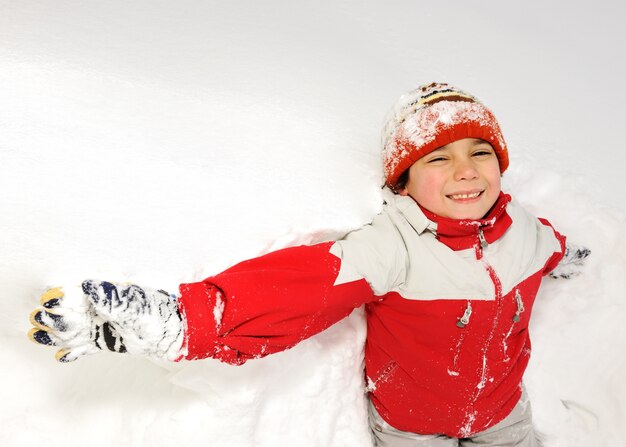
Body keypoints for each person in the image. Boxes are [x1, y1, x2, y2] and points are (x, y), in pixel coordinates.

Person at [28, 82, 590, 446]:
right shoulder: (392, 247)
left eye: (480, 153)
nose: (466, 172)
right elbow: (294, 290)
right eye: (438, 159)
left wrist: (567, 260)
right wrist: (184, 320)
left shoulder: (530, 237)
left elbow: (554, 247)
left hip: (503, 415)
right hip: (413, 428)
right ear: (403, 181)